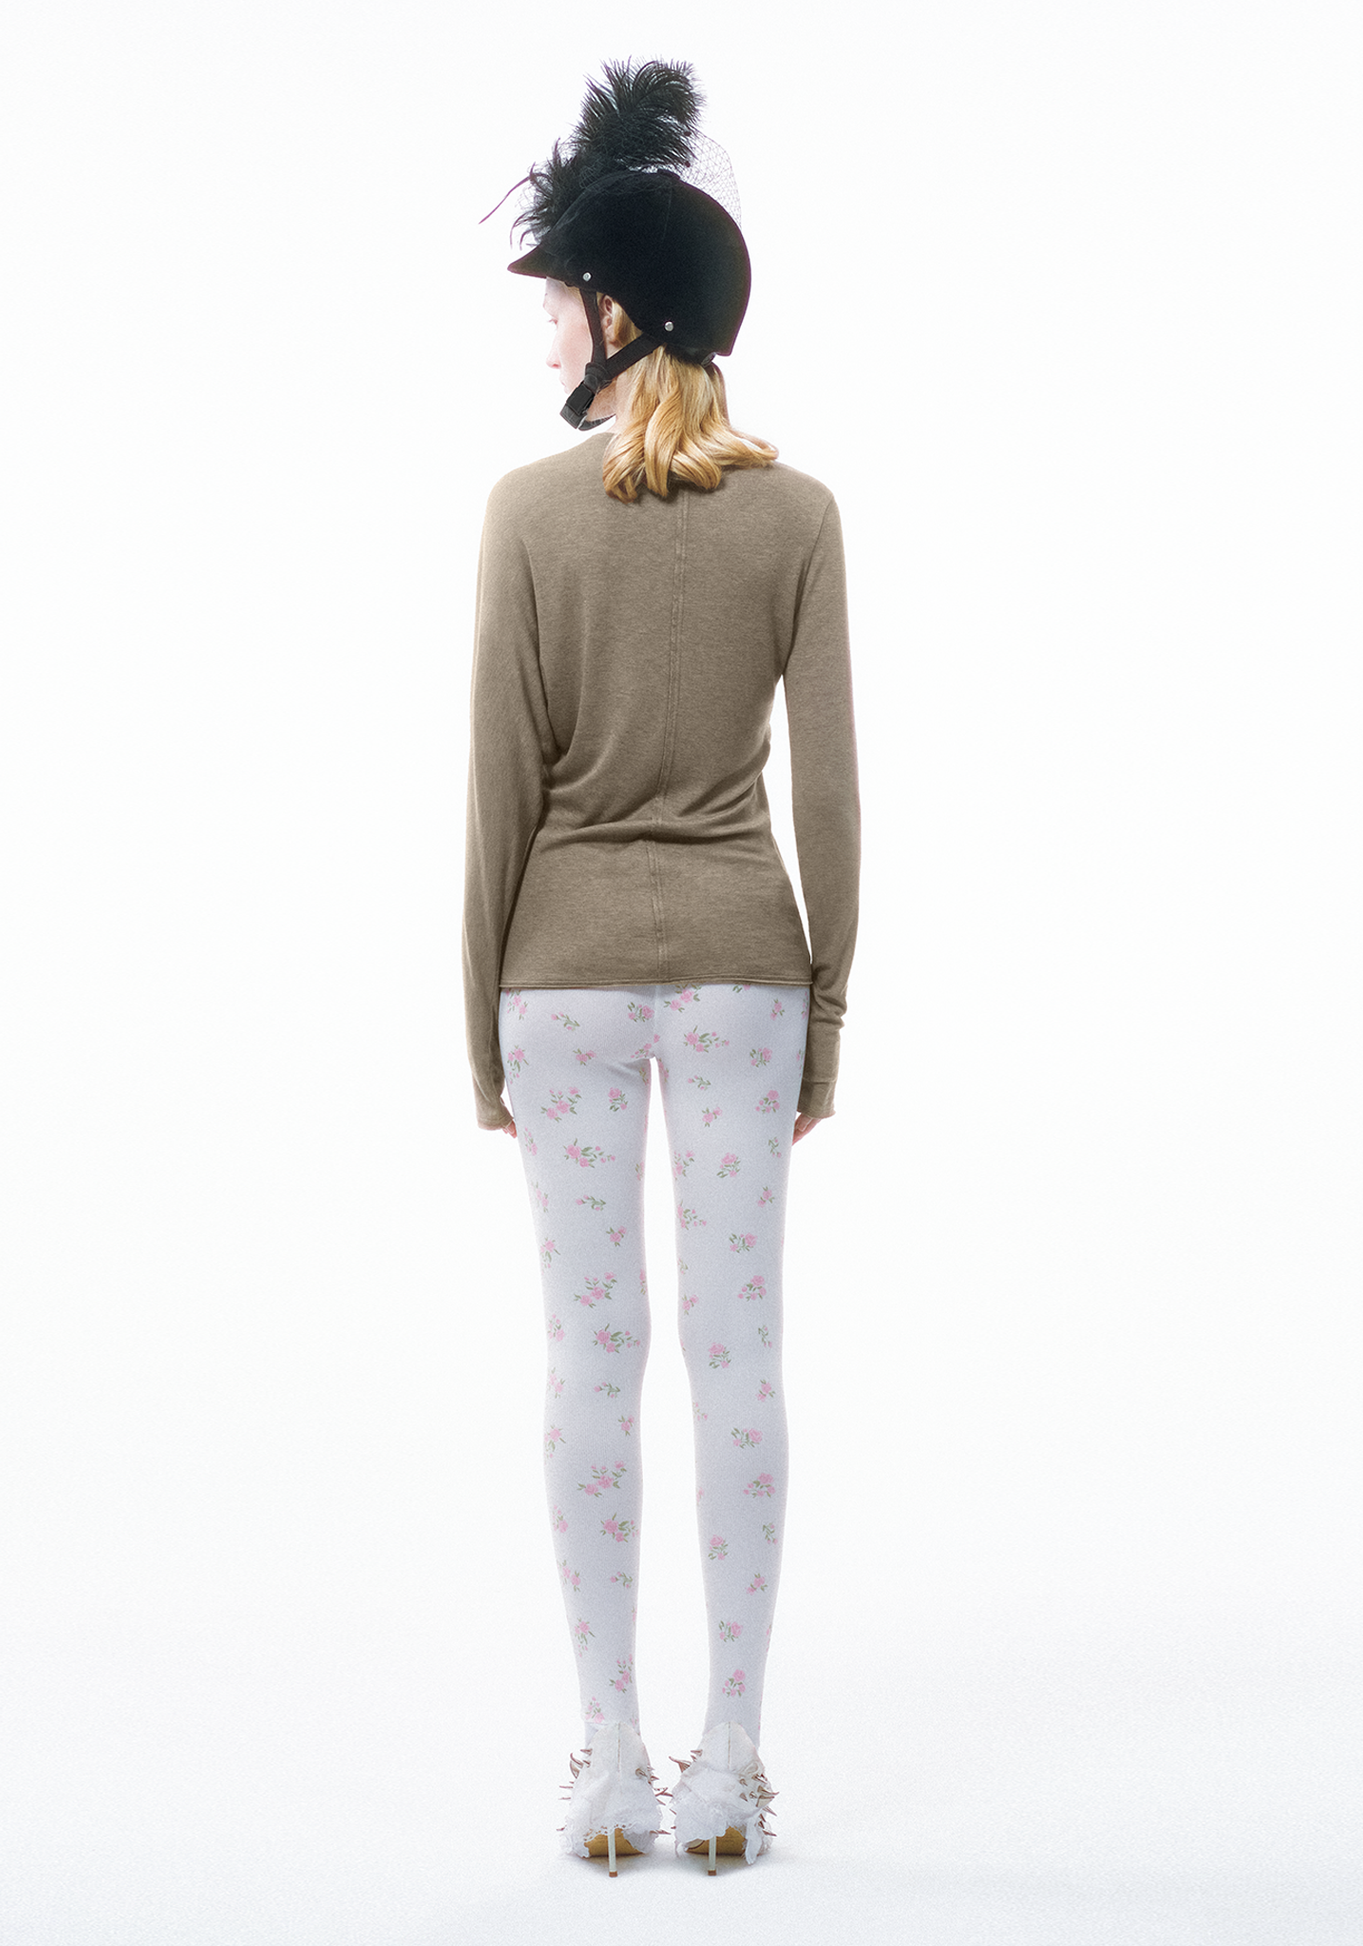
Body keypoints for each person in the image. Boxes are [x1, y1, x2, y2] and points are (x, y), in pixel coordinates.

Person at [461, 60, 860, 1875]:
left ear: (624, 317)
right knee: (737, 1353)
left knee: (590, 1355)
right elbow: (829, 794)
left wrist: (475, 1024)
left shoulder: (523, 515)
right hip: (740, 974)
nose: (549, 326)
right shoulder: (798, 517)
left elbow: (498, 785)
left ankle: (611, 1751)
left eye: (562, 298)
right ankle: (735, 1760)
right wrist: (824, 1019)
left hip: (554, 978)